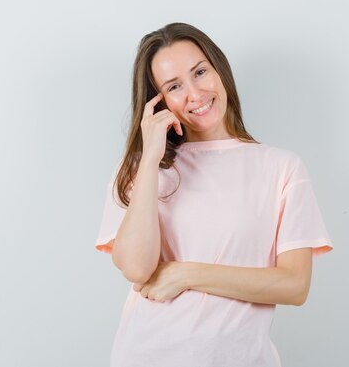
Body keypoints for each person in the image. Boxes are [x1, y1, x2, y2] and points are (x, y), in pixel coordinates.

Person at [95, 22, 333, 367]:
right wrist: (149, 157)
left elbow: (294, 285)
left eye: (200, 72)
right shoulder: (138, 170)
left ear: (219, 69)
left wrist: (185, 273)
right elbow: (136, 267)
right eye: (174, 86)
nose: (195, 93)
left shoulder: (282, 168)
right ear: (157, 102)